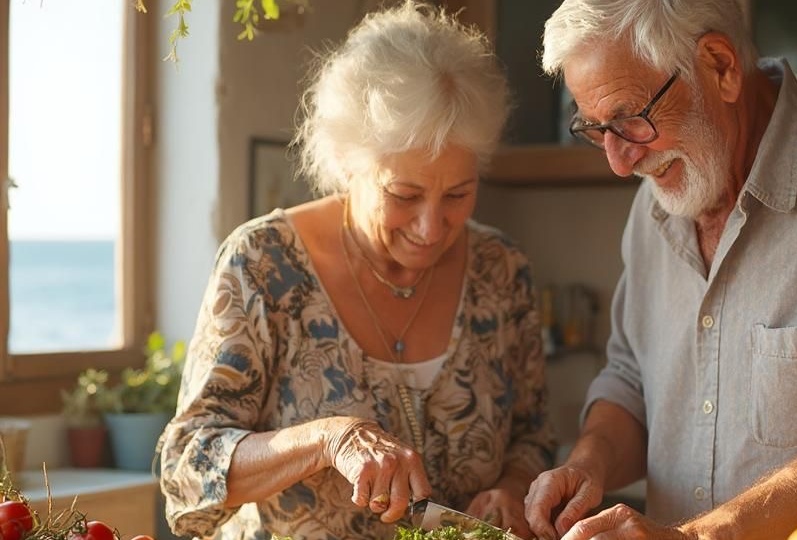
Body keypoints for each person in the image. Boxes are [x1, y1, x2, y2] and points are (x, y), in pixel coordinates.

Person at [524, 1, 797, 539]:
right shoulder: (655, 205)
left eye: (630, 119)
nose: (619, 162)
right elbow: (631, 382)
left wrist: (700, 535)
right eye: (597, 129)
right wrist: (588, 464)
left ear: (720, 66)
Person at [158, 2, 555, 539]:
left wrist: (514, 486)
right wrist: (327, 439)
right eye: (404, 194)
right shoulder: (263, 264)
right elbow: (187, 465)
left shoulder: (502, 272)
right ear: (347, 164)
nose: (432, 226)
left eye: (458, 194)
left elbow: (533, 435)